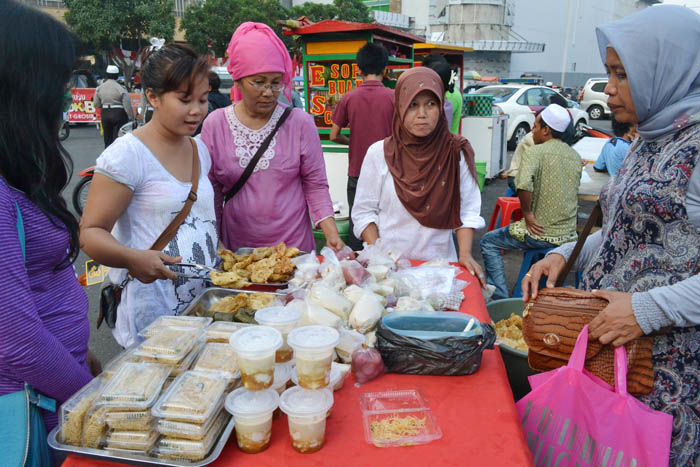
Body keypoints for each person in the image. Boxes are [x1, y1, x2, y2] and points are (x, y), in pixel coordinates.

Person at [522, 6, 700, 465]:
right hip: (613, 358)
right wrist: (565, 255)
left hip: (667, 379)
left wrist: (644, 310)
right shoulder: (648, 138)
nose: (611, 89)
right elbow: (630, 232)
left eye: (623, 75)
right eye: (609, 73)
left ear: (667, 71)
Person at [0, 1, 99, 461]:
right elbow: (16, 340)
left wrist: (85, 360)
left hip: (58, 390)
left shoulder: (20, 172)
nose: (69, 92)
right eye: (62, 80)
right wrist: (96, 399)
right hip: (31, 408)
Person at [80, 44, 218, 348]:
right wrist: (132, 258)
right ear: (153, 96)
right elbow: (90, 233)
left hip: (203, 307)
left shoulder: (199, 149)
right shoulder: (126, 156)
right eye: (185, 100)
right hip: (152, 315)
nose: (196, 110)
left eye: (203, 99)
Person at [202, 22, 343, 253]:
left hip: (294, 250)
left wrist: (331, 234)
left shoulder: (300, 123)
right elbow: (212, 193)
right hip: (237, 251)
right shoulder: (215, 125)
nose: (268, 92)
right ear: (237, 80)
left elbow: (315, 185)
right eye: (258, 82)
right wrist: (215, 243)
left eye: (275, 82)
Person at [352, 67, 486, 283]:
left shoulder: (455, 152)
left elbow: (468, 211)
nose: (422, 114)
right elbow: (364, 213)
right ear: (401, 107)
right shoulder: (379, 153)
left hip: (441, 268)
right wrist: (381, 258)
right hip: (389, 269)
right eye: (413, 105)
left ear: (441, 107)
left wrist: (465, 254)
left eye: (430, 104)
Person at [481, 104, 582, 300]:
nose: (532, 130)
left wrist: (527, 214)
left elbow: (523, 184)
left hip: (540, 233)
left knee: (488, 242)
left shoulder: (535, 152)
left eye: (535, 126)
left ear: (546, 130)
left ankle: (501, 295)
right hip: (569, 236)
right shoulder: (575, 156)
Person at [330, 42, 395, 251]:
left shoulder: (349, 97)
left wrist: (352, 143)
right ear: (385, 69)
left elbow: (333, 135)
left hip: (357, 173)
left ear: (358, 69)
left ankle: (356, 272)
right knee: (386, 226)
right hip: (390, 173)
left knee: (358, 224)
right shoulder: (394, 98)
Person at [94, 64, 135, 148]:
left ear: (106, 74)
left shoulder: (99, 88)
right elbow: (127, 105)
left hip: (105, 113)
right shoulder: (121, 88)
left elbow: (96, 104)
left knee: (107, 138)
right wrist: (131, 117)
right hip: (118, 113)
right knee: (118, 139)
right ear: (116, 76)